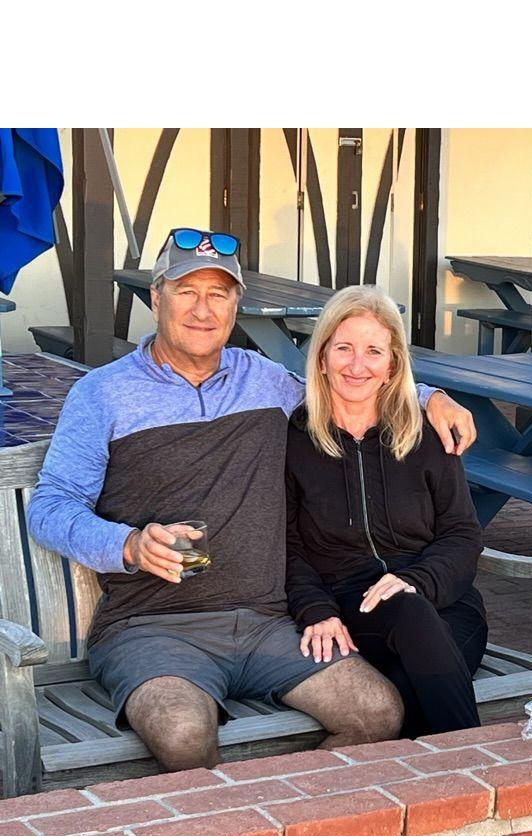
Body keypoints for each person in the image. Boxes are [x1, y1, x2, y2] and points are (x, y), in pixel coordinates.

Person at [27, 227, 478, 770]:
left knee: (378, 712)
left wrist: (433, 397)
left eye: (218, 294)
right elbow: (50, 506)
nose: (203, 310)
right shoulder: (102, 394)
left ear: (235, 305)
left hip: (269, 622)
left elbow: (347, 382)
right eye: (186, 291)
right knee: (183, 732)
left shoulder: (263, 381)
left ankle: (282, 814)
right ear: (156, 298)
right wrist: (128, 545)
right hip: (151, 626)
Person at [284, 285, 486, 738]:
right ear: (322, 358)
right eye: (344, 348)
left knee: (404, 692)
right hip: (354, 608)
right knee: (407, 617)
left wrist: (417, 580)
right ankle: (477, 764)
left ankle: (444, 777)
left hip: (445, 603)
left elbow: (462, 533)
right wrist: (314, 607)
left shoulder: (426, 434)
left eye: (374, 351)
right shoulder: (294, 441)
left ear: (392, 365)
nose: (357, 365)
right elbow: (287, 546)